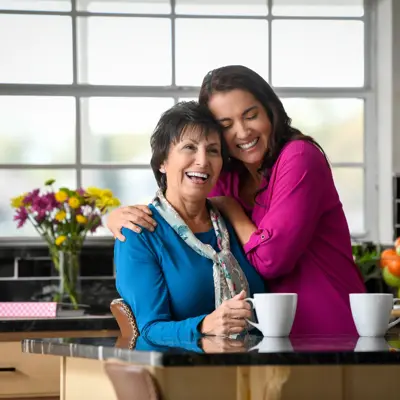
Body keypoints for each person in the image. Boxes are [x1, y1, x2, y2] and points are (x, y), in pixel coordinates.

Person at [110, 65, 366, 336]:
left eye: (251, 115)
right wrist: (115, 218)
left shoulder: (299, 157)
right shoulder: (227, 176)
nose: (242, 132)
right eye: (226, 125)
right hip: (270, 340)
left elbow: (272, 260)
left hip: (327, 323)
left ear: (270, 110)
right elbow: (182, 194)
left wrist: (232, 210)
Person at [114, 101, 267, 343]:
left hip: (255, 365)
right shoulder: (139, 233)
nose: (202, 160)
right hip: (181, 373)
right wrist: (205, 325)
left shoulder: (233, 220)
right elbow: (149, 329)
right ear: (162, 162)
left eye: (213, 150)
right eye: (189, 147)